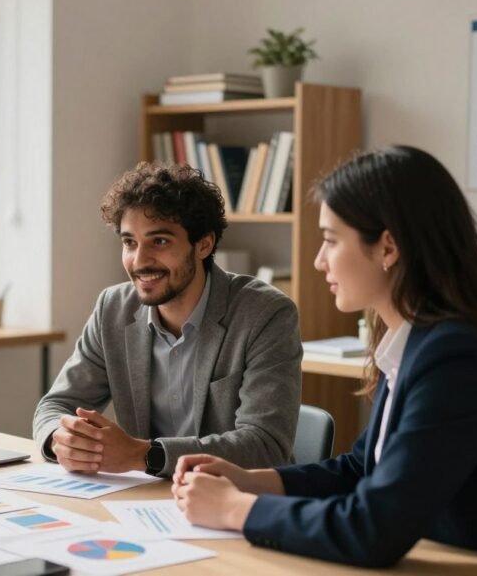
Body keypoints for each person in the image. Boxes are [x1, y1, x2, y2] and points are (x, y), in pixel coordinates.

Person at [171, 146, 477, 571]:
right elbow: (362, 470)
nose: (318, 260)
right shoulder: (411, 340)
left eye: (330, 240)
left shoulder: (457, 357)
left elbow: (373, 529)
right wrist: (252, 482)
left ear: (388, 247)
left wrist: (236, 510)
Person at [32, 162, 301, 478]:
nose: (140, 260)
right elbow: (54, 407)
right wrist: (60, 441)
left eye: (159, 241)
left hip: (233, 502)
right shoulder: (112, 309)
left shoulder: (265, 314)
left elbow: (263, 445)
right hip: (145, 502)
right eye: (130, 242)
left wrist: (143, 455)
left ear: (204, 244)